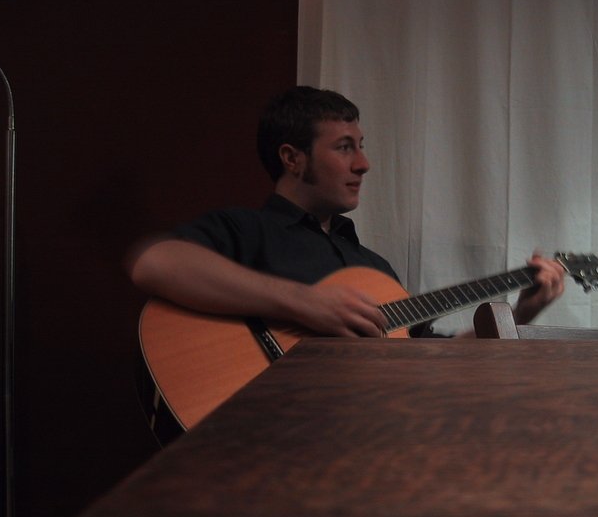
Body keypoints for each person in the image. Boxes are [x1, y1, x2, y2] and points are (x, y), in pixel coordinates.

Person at [126, 86, 565, 338]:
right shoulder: (245, 229)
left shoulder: (374, 268)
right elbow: (154, 263)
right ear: (292, 158)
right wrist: (304, 302)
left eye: (361, 146)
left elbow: (437, 364)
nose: (363, 163)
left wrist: (522, 313)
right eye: (343, 148)